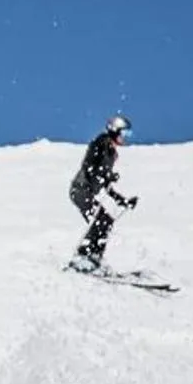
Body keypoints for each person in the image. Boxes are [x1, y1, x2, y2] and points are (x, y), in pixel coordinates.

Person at [68, 115, 136, 273]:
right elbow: (88, 165)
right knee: (100, 221)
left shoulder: (111, 153)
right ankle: (82, 258)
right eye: (124, 134)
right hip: (80, 189)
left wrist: (122, 201)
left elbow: (105, 184)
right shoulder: (100, 143)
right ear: (114, 131)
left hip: (87, 191)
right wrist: (102, 174)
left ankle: (94, 258)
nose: (125, 138)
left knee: (106, 221)